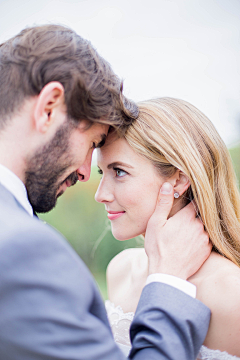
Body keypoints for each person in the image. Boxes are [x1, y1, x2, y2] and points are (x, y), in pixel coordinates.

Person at [0, 25, 211, 360]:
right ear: (49, 107)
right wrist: (169, 282)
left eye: (119, 171)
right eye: (92, 144)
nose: (86, 174)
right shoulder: (20, 246)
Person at [95, 97, 240, 359]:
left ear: (179, 180)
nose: (100, 194)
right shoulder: (121, 269)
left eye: (118, 172)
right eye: (100, 172)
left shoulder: (232, 293)